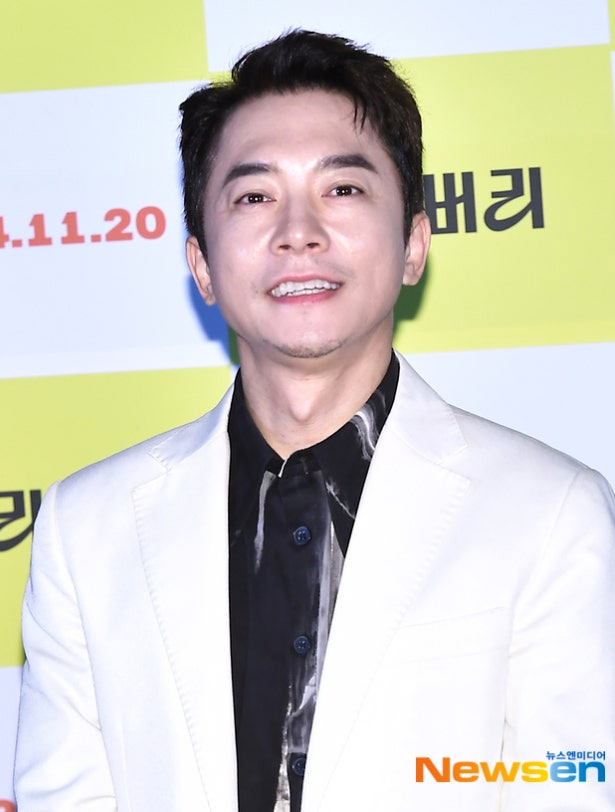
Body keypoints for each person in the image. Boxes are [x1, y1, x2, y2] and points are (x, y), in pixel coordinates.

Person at [14, 29, 615, 812]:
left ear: (414, 244)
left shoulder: (550, 512)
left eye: (343, 189)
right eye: (254, 196)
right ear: (200, 265)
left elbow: (569, 786)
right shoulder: (86, 528)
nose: (298, 230)